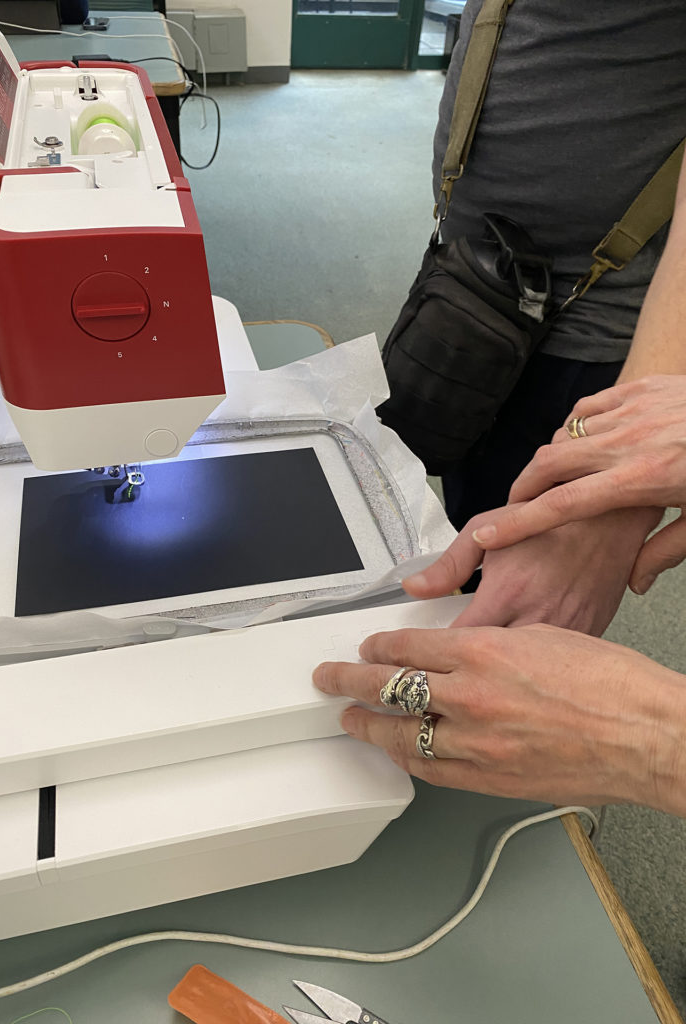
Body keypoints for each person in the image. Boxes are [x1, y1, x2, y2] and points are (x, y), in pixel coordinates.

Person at [307, 138, 686, 815]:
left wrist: (649, 739)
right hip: (488, 282)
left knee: (518, 617)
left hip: (595, 317)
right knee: (478, 534)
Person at [401, 1, 686, 636]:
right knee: (461, 511)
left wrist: (623, 467)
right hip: (472, 287)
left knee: (512, 614)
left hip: (595, 324)